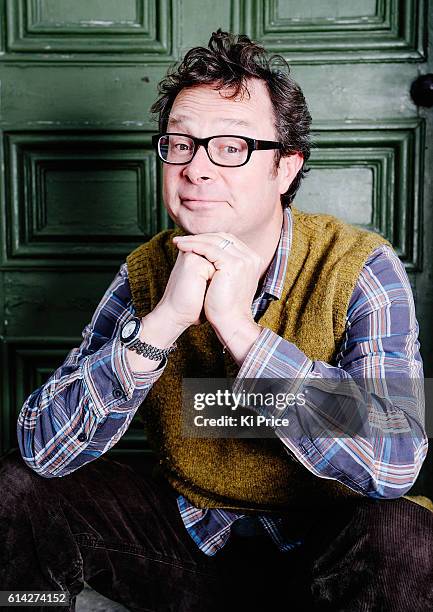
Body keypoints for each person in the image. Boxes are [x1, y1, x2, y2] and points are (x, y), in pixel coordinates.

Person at [1, 29, 432, 612]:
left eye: (231, 147)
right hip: (189, 546)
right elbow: (42, 450)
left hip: (325, 552)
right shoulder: (147, 272)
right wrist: (162, 324)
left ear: (285, 168)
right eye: (180, 144)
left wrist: (244, 336)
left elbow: (397, 458)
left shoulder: (358, 266)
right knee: (15, 489)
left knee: (404, 535)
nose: (196, 169)